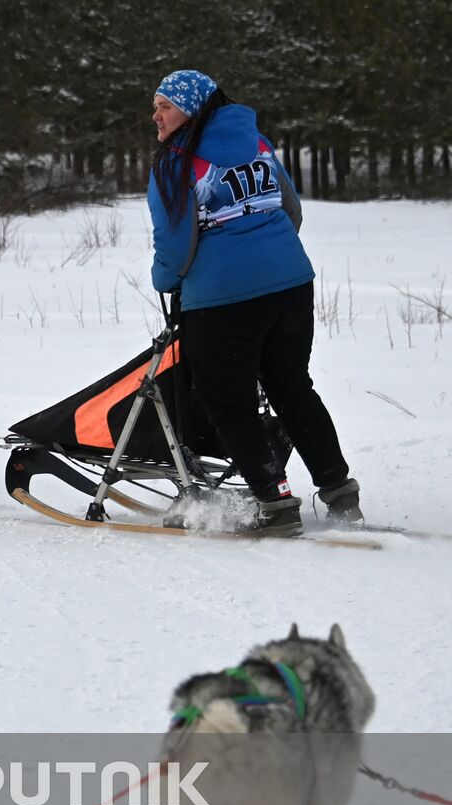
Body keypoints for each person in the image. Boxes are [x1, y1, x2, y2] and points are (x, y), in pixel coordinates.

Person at [148, 69, 362, 534]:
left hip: (223, 299)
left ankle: (276, 504)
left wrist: (165, 280)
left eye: (165, 106)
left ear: (191, 108)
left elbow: (175, 242)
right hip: (291, 285)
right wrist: (271, 260)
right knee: (292, 388)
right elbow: (291, 209)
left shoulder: (177, 161)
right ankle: (340, 492)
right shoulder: (257, 143)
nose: (156, 116)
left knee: (230, 403)